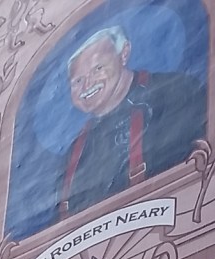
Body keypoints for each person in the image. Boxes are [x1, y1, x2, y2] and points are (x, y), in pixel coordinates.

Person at [59, 25, 206, 219]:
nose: (87, 85)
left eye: (98, 69)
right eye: (77, 81)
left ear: (124, 53)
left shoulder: (176, 93)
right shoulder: (74, 155)